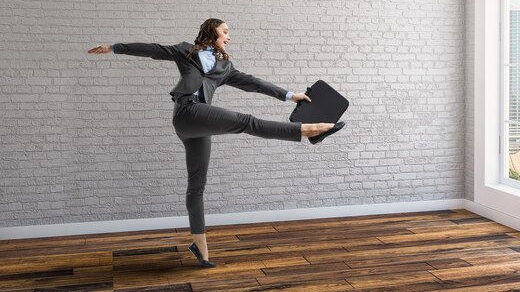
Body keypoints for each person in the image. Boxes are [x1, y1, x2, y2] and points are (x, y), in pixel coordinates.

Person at [87, 18, 345, 268]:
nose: (229, 36)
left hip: (199, 123)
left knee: (197, 185)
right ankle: (308, 131)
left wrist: (290, 96)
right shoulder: (184, 50)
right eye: (225, 31)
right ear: (212, 31)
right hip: (187, 112)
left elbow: (254, 83)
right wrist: (114, 47)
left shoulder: (224, 68)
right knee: (247, 121)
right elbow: (151, 50)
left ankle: (199, 248)